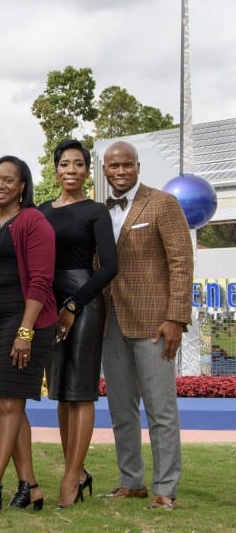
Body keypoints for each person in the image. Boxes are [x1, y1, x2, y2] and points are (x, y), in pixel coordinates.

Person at [99, 140, 192, 510]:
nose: (120, 172)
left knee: (160, 410)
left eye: (126, 165)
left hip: (155, 323)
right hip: (111, 322)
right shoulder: (99, 211)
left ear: (138, 166)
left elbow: (181, 263)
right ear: (105, 170)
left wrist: (176, 318)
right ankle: (131, 480)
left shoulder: (162, 203)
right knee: (121, 409)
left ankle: (166, 488)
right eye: (113, 166)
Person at [0, 156, 57, 519]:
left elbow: (40, 280)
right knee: (10, 405)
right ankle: (30, 486)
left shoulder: (33, 221)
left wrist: (25, 332)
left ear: (23, 185)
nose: (0, 185)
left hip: (27, 322)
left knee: (9, 404)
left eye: (9, 179)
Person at [37, 140, 118, 508]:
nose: (71, 170)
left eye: (79, 164)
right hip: (48, 303)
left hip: (84, 299)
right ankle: (79, 470)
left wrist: (73, 303)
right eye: (64, 164)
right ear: (55, 170)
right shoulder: (39, 211)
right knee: (60, 391)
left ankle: (71, 476)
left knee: (81, 390)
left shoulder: (96, 211)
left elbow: (110, 267)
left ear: (88, 171)